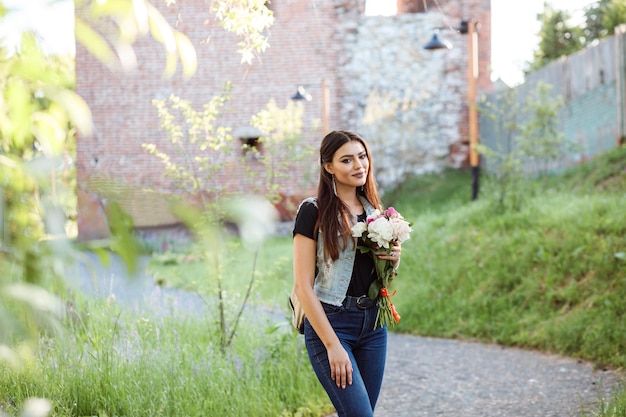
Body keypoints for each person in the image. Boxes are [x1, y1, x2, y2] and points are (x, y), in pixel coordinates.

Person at [292, 130, 402, 417]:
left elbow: (380, 277)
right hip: (332, 323)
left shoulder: (376, 214)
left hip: (374, 326)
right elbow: (303, 287)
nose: (359, 165)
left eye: (362, 157)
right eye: (347, 160)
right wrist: (332, 345)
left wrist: (394, 260)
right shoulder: (312, 211)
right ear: (328, 166)